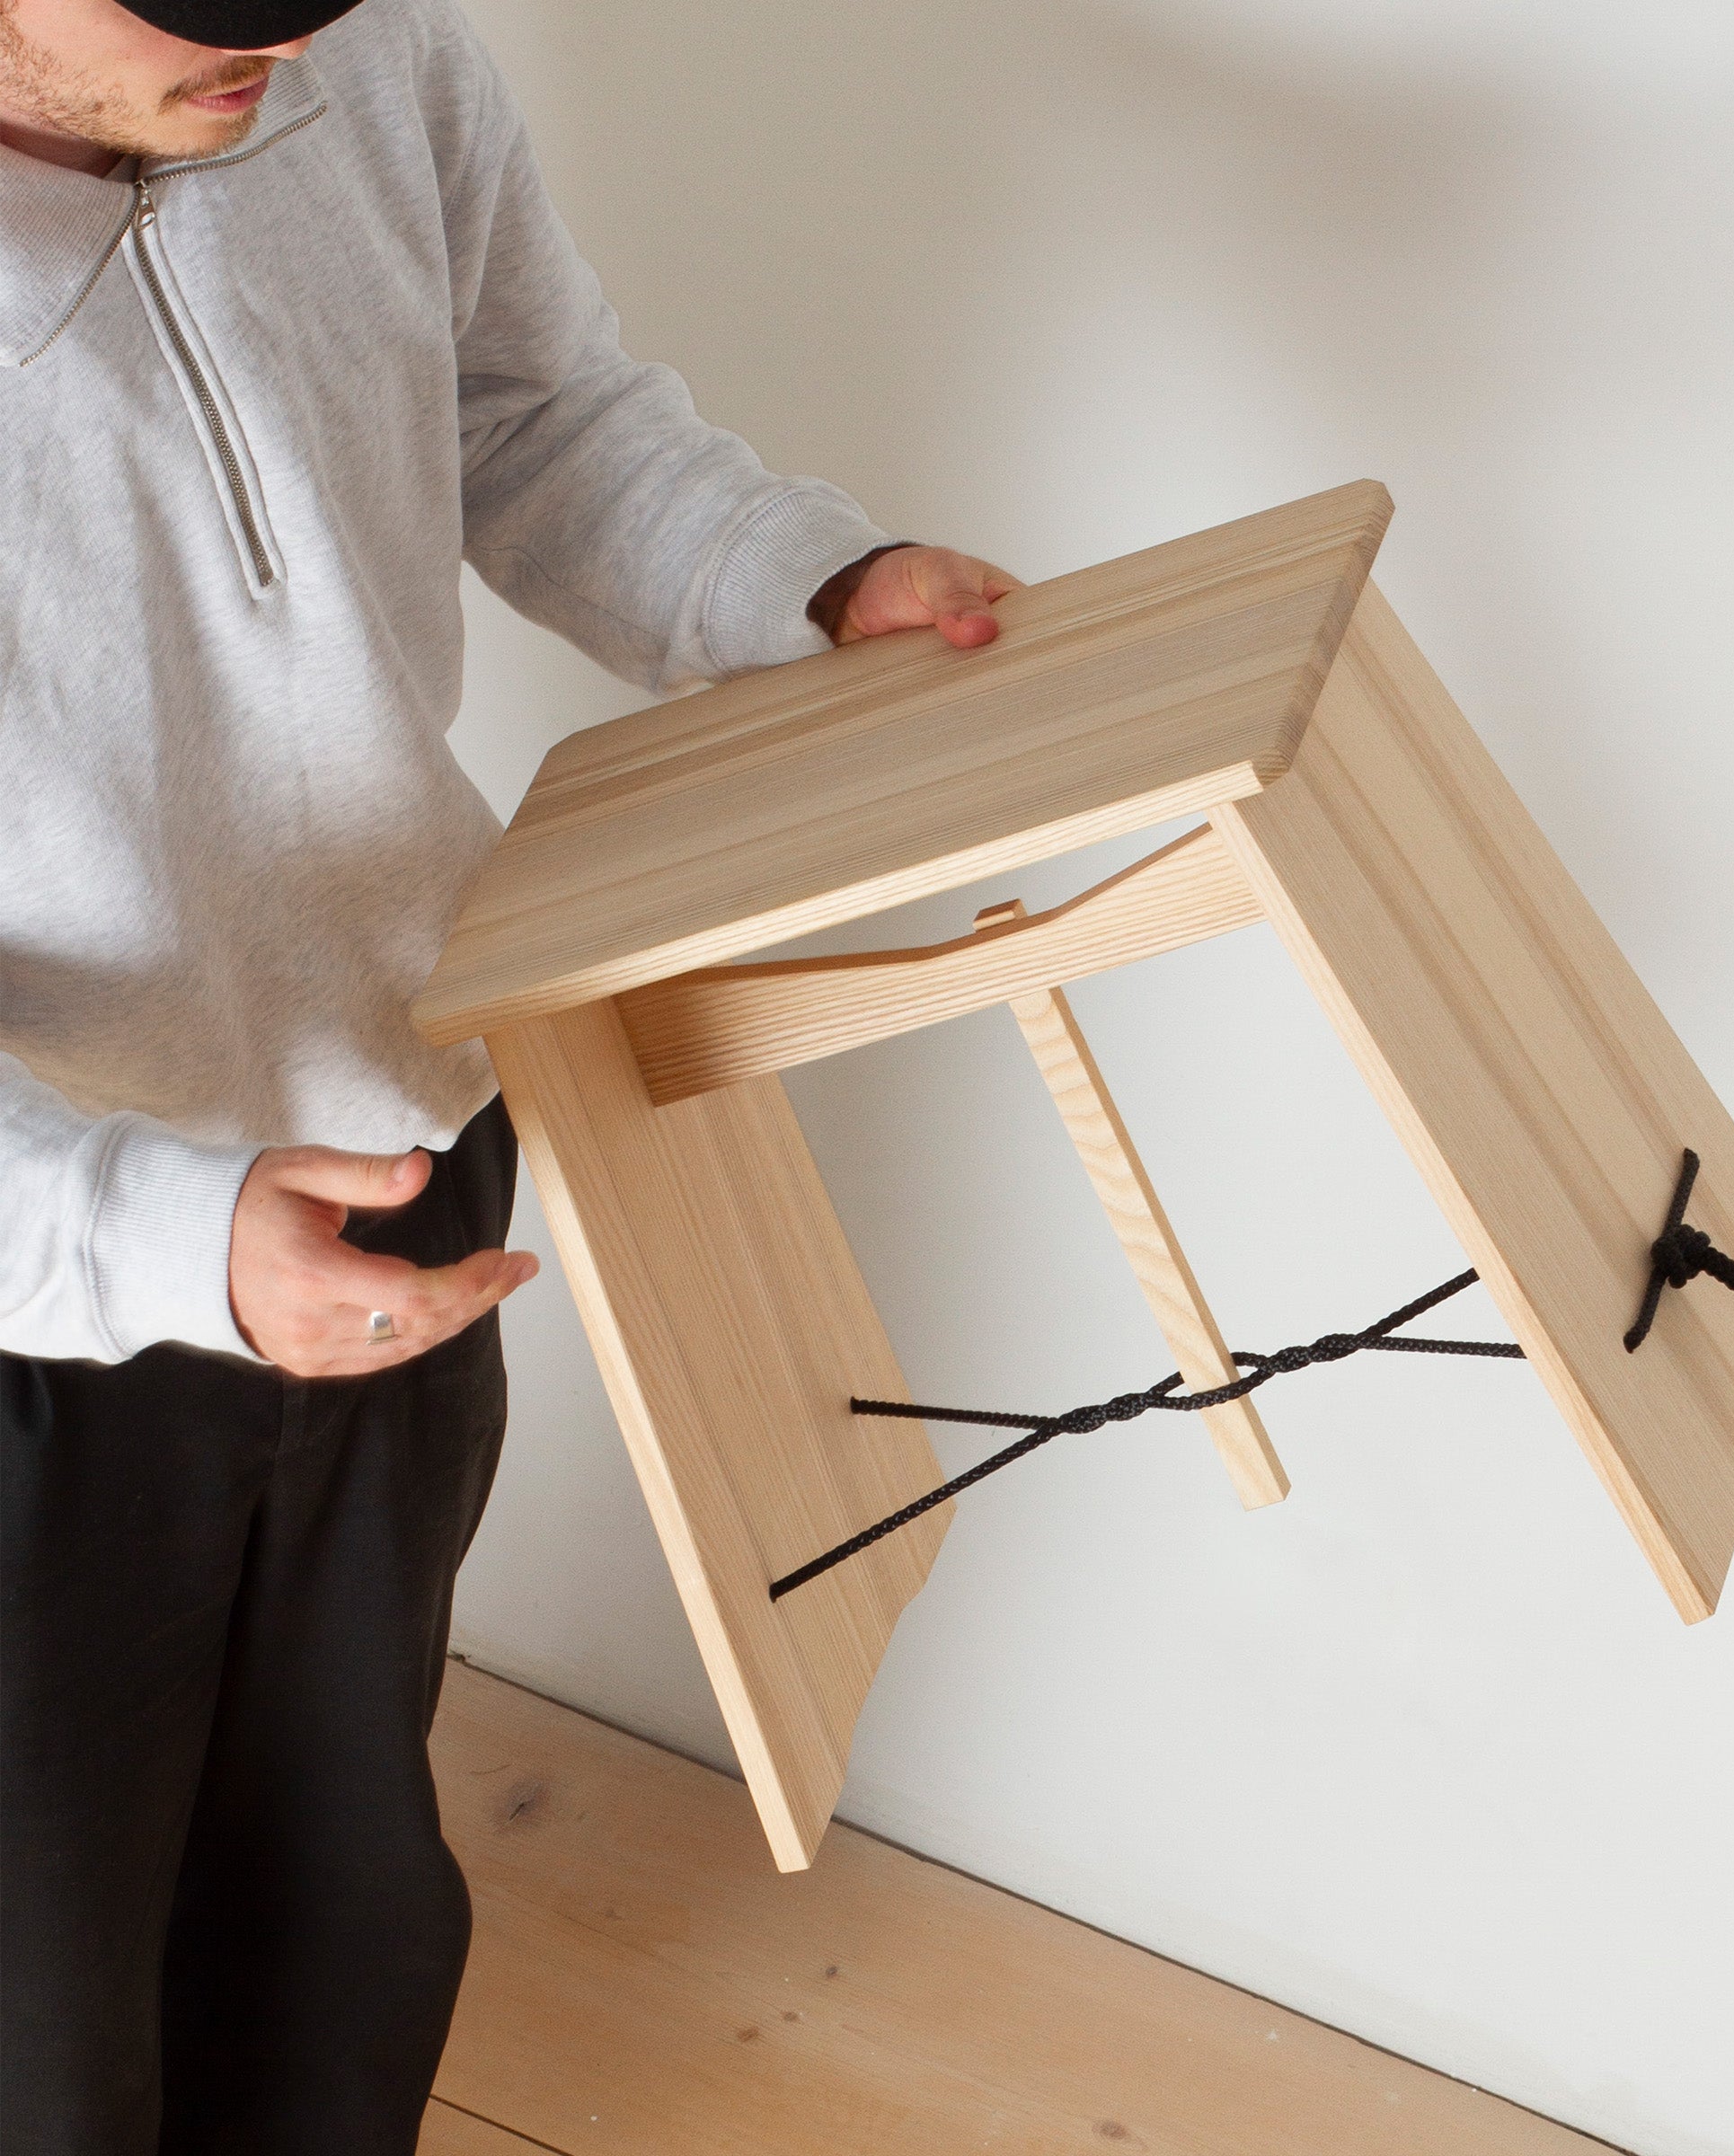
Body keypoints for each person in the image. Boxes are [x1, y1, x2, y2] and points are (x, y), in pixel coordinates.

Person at [0, 0, 1014, 2143]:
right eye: (186, 4)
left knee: (335, 1898)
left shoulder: (377, 70)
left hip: (395, 1151)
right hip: (34, 1294)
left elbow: (534, 415)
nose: (271, 41)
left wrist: (801, 580)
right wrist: (150, 1232)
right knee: (37, 2004)